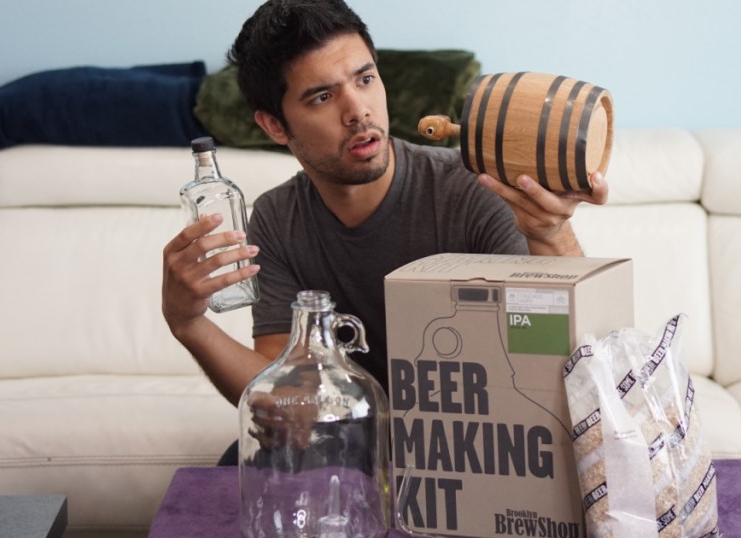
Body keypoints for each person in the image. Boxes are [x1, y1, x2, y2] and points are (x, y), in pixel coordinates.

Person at [161, 0, 607, 464]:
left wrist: (552, 233)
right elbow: (285, 399)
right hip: (353, 445)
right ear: (275, 125)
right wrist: (188, 323)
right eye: (322, 96)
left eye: (365, 79)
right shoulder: (276, 219)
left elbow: (565, 355)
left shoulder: (472, 189)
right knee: (243, 458)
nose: (358, 111)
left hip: (480, 443)